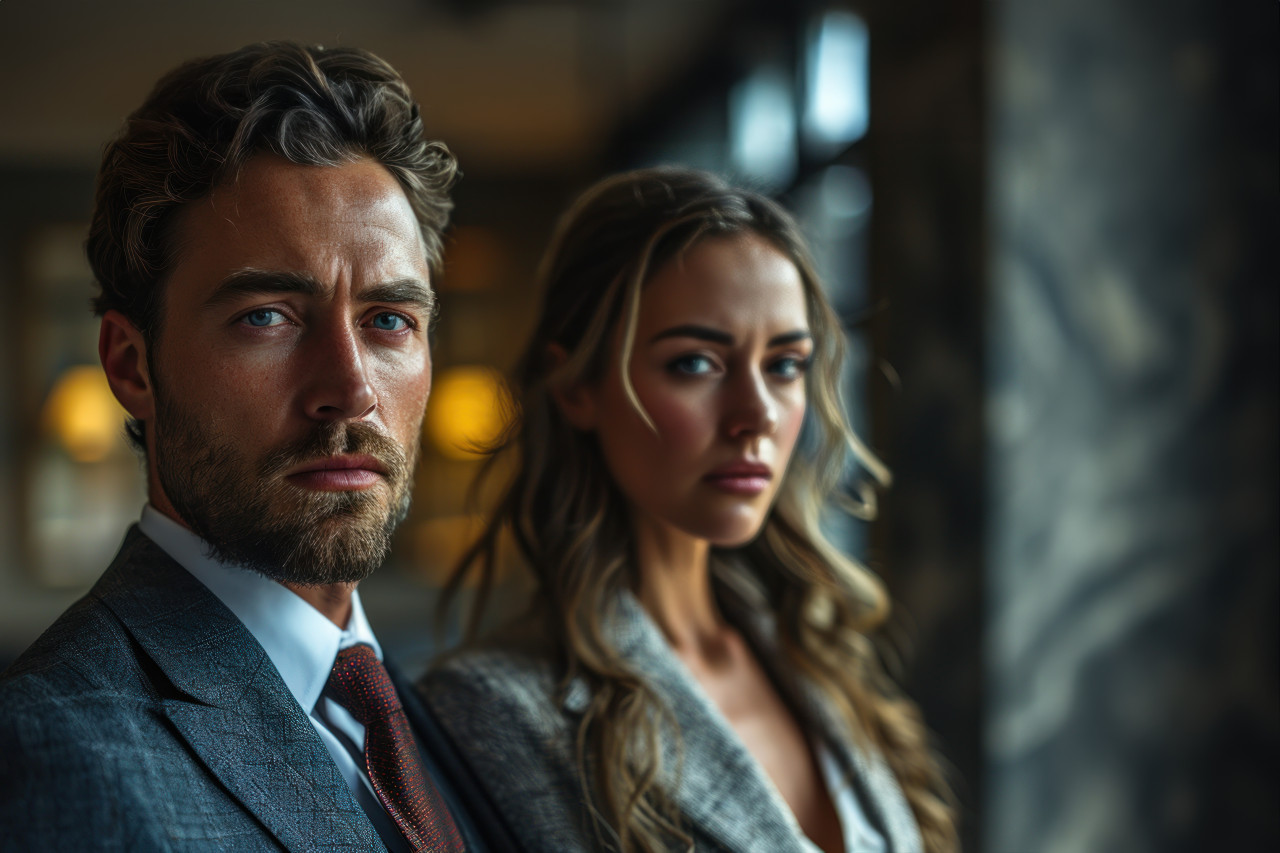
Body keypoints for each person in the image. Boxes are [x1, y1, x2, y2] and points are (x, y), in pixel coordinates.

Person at [0, 42, 515, 852]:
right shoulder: (52, 752)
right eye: (267, 316)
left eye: (389, 321)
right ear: (131, 365)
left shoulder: (450, 729)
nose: (350, 391)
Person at [420, 167, 958, 853]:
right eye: (696, 363)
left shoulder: (813, 652)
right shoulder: (495, 708)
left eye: (785, 365)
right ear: (578, 384)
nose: (757, 414)